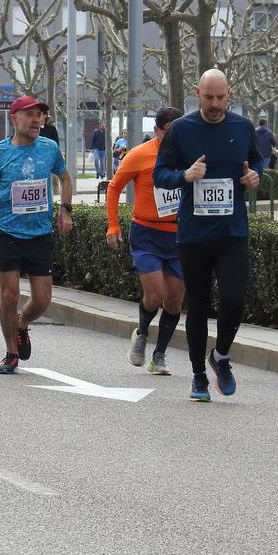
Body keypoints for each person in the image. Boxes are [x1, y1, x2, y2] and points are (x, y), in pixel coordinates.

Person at [153, 69, 262, 402]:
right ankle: (199, 375)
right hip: (194, 234)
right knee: (198, 305)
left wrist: (255, 178)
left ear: (229, 93)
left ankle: (222, 355)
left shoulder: (242, 128)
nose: (215, 104)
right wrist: (185, 175)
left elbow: (258, 164)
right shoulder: (181, 130)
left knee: (234, 299)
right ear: (197, 92)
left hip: (232, 230)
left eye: (221, 97)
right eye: (208, 97)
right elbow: (160, 174)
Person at [0, 95, 73, 375]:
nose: (37, 119)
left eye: (40, 115)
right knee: (9, 295)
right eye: (30, 114)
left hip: (40, 233)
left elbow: (65, 178)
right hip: (6, 232)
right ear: (14, 119)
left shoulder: (49, 148)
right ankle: (10, 353)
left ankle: (22, 323)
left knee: (42, 300)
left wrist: (65, 210)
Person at [104, 107, 185, 376]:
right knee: (155, 295)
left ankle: (159, 354)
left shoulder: (192, 155)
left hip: (179, 236)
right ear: (157, 131)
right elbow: (114, 186)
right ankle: (141, 331)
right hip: (147, 233)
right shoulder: (139, 154)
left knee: (174, 301)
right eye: (168, 131)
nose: (174, 137)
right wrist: (113, 224)